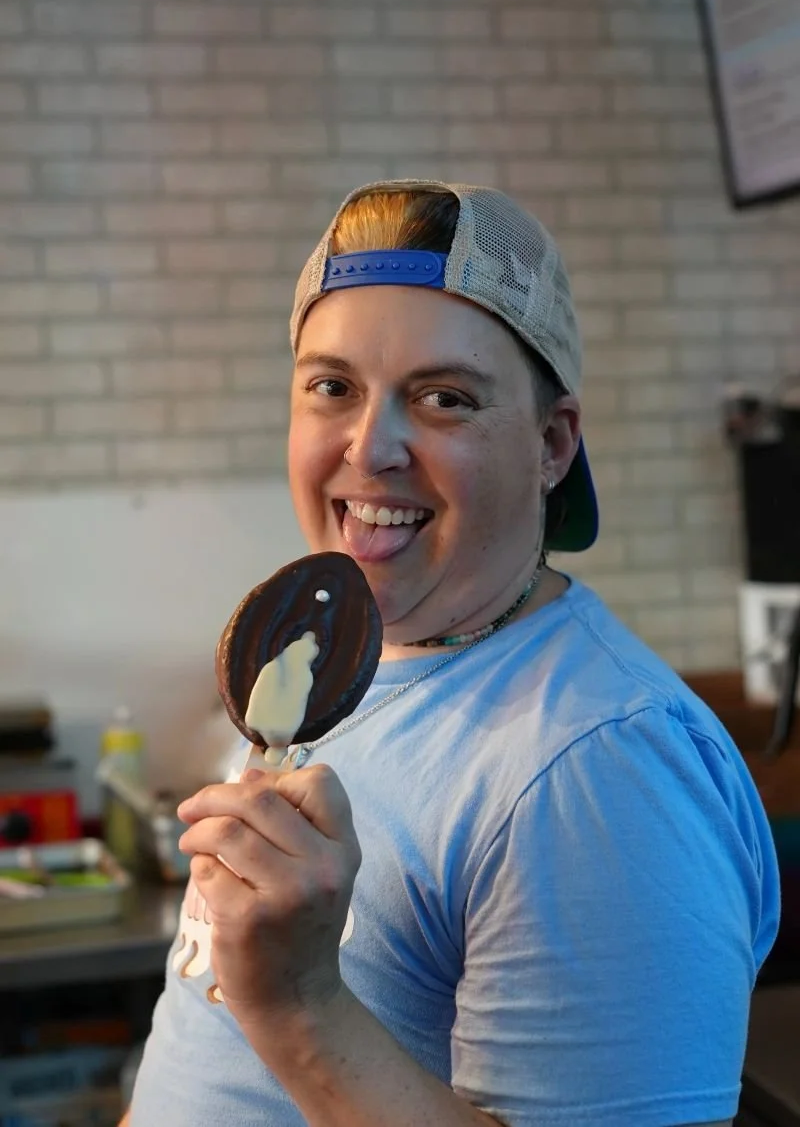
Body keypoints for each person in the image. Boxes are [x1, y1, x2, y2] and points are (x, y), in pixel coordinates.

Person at [125, 180, 780, 1127]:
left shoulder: (599, 767)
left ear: (552, 445)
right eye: (333, 387)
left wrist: (299, 1004)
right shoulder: (320, 680)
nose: (371, 448)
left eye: (444, 398)